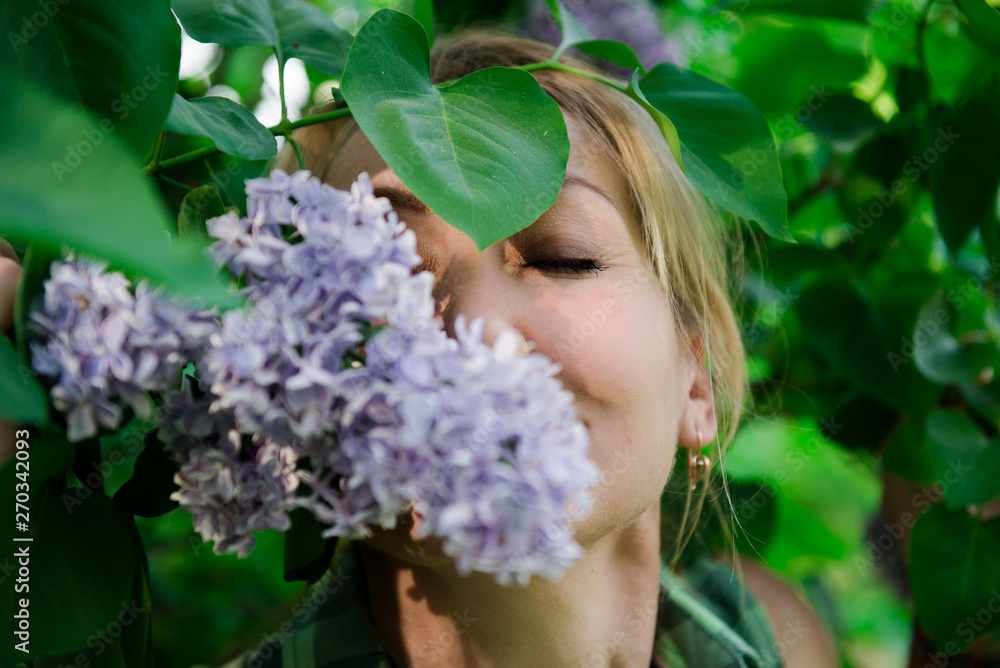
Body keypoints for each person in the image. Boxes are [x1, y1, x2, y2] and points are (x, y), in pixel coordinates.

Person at [0, 30, 837, 668]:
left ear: (702, 376)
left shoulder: (784, 635)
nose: (473, 336)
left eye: (559, 260)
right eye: (388, 270)